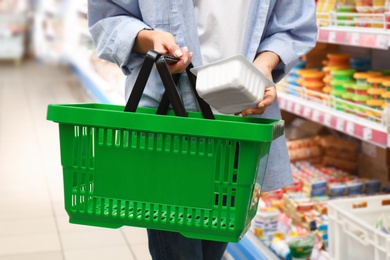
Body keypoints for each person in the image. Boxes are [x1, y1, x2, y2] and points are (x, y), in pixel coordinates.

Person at [87, 1, 317, 259]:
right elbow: (108, 16)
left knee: (212, 250)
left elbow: (294, 26)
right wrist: (150, 38)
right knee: (179, 252)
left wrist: (263, 66)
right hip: (169, 128)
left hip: (238, 131)